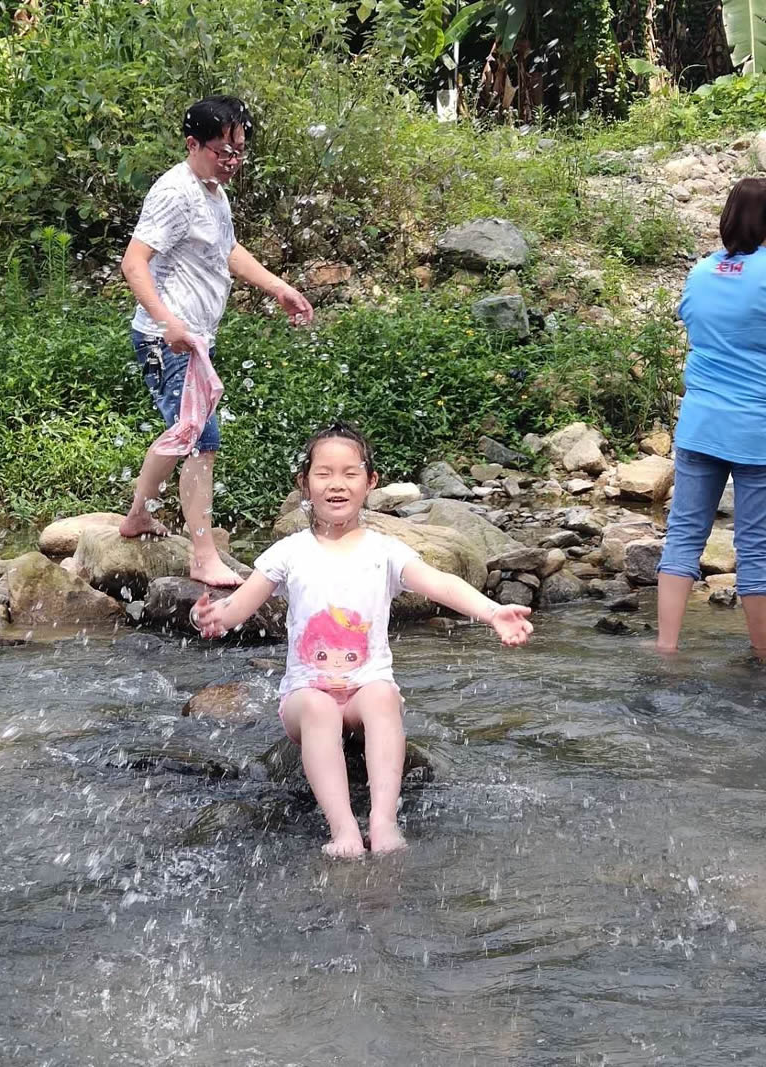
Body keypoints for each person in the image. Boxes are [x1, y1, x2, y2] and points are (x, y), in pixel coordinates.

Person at [193, 422, 533, 857]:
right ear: (305, 483)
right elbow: (239, 606)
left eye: (350, 473)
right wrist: (210, 616)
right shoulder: (289, 552)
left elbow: (441, 583)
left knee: (381, 696)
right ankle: (343, 830)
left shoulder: (384, 551)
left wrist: (491, 611)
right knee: (317, 705)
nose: (337, 484)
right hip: (306, 696)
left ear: (370, 482)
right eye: (324, 473)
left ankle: (383, 822)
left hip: (363, 691)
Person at [118, 95, 313, 587]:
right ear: (193, 144)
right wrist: (168, 323)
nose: (232, 162)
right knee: (201, 440)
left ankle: (139, 515)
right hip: (171, 341)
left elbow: (227, 250)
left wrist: (280, 288)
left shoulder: (213, 193)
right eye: (223, 152)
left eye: (239, 151)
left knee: (185, 432)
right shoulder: (175, 192)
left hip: (195, 340)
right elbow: (133, 262)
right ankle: (203, 554)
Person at [657, 178, 766, 654]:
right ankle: (763, 657)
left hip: (699, 425)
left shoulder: (700, 271)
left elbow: (691, 319)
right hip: (756, 430)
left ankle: (665, 646)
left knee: (682, 537)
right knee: (757, 549)